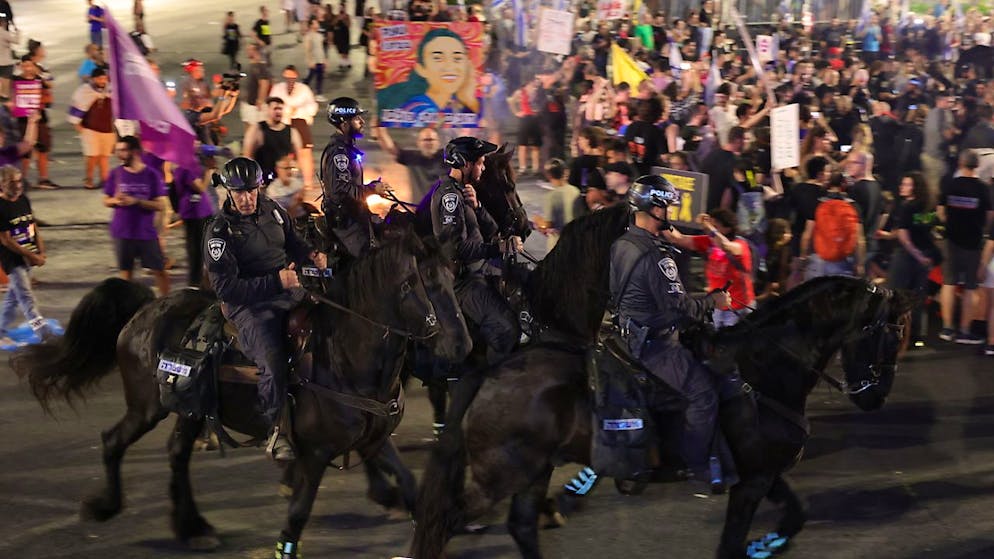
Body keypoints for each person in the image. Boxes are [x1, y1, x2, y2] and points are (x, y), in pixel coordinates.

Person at [610, 174, 731, 486]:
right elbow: (678, 308)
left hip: (625, 335)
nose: (670, 213)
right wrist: (713, 301)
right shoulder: (657, 256)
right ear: (655, 210)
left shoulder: (622, 243)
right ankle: (697, 464)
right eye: (666, 207)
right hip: (656, 346)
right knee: (703, 393)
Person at [204, 157, 326, 462]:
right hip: (249, 307)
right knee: (273, 359)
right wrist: (276, 281)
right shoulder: (219, 234)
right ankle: (276, 429)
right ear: (228, 192)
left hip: (287, 290)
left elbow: (293, 243)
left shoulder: (273, 210)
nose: (247, 198)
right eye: (239, 192)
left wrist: (311, 254)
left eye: (252, 190)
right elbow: (226, 289)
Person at [421, 136, 521, 364]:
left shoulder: (463, 192)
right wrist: (500, 247)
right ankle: (492, 390)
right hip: (464, 282)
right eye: (480, 162)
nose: (483, 167)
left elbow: (492, 228)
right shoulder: (449, 196)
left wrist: (477, 206)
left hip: (482, 270)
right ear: (465, 163)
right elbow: (457, 248)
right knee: (506, 329)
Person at [937, 150, 993, 345]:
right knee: (970, 288)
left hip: (951, 240)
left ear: (961, 164)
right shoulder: (983, 188)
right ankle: (964, 331)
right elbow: (989, 216)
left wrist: (949, 222)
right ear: (977, 165)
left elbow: (941, 210)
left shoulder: (950, 185)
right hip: (973, 242)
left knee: (949, 283)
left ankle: (946, 328)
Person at [319, 96, 385, 261]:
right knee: (369, 260)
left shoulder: (347, 149)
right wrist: (371, 190)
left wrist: (372, 187)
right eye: (357, 118)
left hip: (355, 215)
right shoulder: (339, 153)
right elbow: (340, 191)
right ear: (344, 123)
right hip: (346, 223)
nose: (362, 121)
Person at [102, 136, 170, 295]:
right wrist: (115, 201)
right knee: (126, 274)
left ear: (135, 151)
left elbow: (160, 205)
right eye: (118, 150)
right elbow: (106, 200)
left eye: (123, 150)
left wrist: (136, 201)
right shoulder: (116, 174)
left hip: (145, 232)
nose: (119, 154)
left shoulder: (151, 175)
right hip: (122, 231)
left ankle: (166, 303)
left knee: (159, 270)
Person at [0, 165, 54, 346]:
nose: (17, 185)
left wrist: (40, 250)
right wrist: (31, 255)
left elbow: (32, 225)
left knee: (13, 298)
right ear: (1, 184)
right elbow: (6, 240)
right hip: (13, 260)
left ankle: (0, 330)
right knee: (26, 298)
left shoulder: (24, 199)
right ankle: (44, 335)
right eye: (11, 182)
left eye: (19, 180)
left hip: (28, 256)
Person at [376, 28, 479, 122]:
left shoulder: (456, 104)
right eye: (438, 58)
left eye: (457, 58)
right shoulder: (419, 110)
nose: (449, 66)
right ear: (421, 69)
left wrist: (470, 101)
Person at [886, 172, 939, 348]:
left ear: (915, 187)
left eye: (907, 184)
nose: (902, 187)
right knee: (918, 297)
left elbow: (903, 235)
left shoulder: (906, 206)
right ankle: (915, 335)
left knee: (896, 295)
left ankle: (895, 334)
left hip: (907, 256)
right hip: (925, 255)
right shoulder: (929, 206)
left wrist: (917, 255)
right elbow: (929, 229)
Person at [68, 67, 114, 190]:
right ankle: (89, 179)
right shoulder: (84, 91)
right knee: (92, 156)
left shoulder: (111, 90)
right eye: (99, 78)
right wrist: (79, 128)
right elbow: (76, 109)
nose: (102, 81)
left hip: (108, 129)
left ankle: (105, 180)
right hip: (90, 129)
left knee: (104, 156)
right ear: (93, 79)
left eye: (104, 78)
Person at [376, 125, 446, 203]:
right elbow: (390, 148)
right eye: (425, 140)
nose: (429, 143)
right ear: (418, 143)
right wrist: (380, 128)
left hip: (444, 209)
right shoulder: (413, 157)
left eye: (431, 140)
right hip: (421, 210)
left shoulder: (448, 157)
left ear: (438, 142)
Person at [242, 96, 304, 183]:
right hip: (263, 180)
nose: (278, 112)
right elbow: (248, 156)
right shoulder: (257, 130)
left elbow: (299, 159)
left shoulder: (292, 132)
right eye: (275, 109)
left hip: (284, 182)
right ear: (267, 110)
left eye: (280, 109)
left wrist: (296, 177)